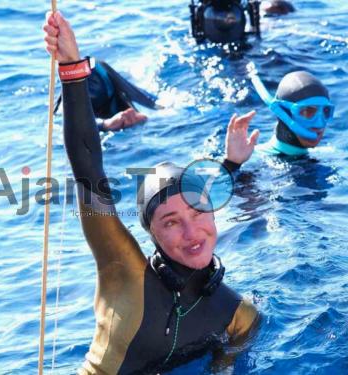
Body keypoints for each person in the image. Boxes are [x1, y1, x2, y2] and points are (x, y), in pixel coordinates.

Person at [43, 11, 259, 374]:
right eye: (171, 222)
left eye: (197, 214)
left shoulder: (239, 316)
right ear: (151, 233)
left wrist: (231, 165)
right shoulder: (124, 274)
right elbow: (87, 169)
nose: (192, 234)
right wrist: (71, 66)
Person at [223, 70, 335, 172]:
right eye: (307, 111)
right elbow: (212, 192)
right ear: (283, 113)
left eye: (326, 111)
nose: (319, 124)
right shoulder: (250, 159)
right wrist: (231, 165)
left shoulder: (331, 155)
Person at [54, 58, 159, 132]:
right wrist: (106, 125)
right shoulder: (65, 104)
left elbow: (154, 106)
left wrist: (146, 117)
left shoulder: (97, 72)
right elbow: (71, 125)